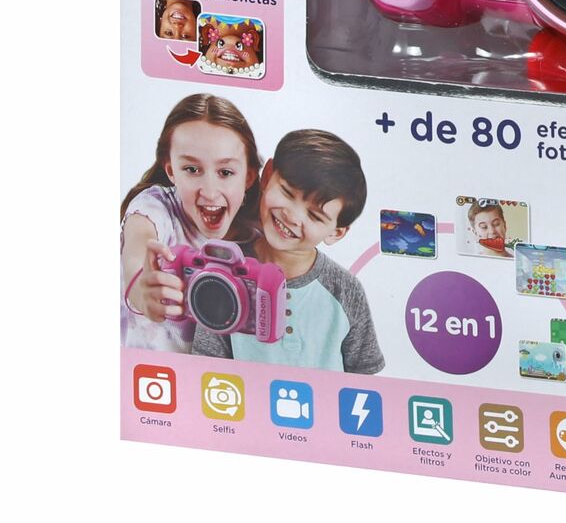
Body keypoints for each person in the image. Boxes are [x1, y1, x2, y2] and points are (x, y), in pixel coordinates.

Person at [192, 129, 384, 373]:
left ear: (336, 233)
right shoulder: (224, 270)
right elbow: (206, 363)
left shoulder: (346, 289)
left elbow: (364, 376)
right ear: (267, 175)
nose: (292, 216)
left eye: (314, 216)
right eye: (287, 192)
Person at [120, 94, 261, 351]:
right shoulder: (155, 208)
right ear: (171, 171)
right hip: (145, 368)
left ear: (248, 177)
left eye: (225, 172)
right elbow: (138, 247)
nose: (210, 191)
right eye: (192, 170)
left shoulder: (257, 240)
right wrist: (140, 289)